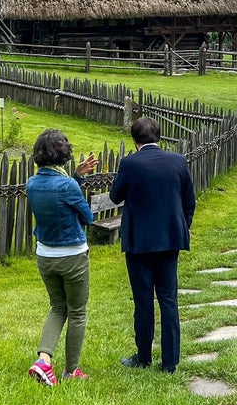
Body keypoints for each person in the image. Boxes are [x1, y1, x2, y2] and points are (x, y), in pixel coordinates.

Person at [109, 116, 196, 375]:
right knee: (169, 299)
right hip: (170, 239)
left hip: (140, 242)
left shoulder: (130, 163)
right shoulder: (178, 161)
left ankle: (144, 356)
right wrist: (182, 227)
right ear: (159, 136)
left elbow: (115, 197)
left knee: (143, 299)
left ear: (134, 140)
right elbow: (189, 201)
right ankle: (170, 361)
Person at [26, 129, 97, 386]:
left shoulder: (32, 183)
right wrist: (76, 181)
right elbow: (88, 217)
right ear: (63, 155)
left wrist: (78, 176)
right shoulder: (66, 185)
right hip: (73, 256)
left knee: (58, 308)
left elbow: (60, 198)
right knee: (77, 312)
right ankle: (71, 370)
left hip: (45, 255)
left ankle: (44, 359)